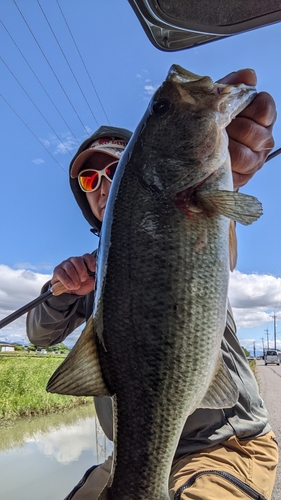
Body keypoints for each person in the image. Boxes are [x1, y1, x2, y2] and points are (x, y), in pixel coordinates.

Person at [27, 69, 278, 500]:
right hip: (132, 453)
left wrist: (225, 177)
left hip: (223, 446)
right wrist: (61, 292)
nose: (103, 185)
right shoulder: (89, 277)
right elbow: (37, 333)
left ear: (134, 168)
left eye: (114, 168)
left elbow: (226, 204)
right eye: (89, 180)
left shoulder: (186, 218)